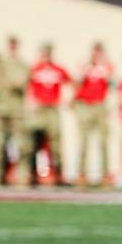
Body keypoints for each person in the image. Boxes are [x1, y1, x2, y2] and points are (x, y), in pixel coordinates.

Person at [0, 36, 29, 186]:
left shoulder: (22, 65)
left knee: (21, 145)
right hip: (0, 109)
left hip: (16, 110)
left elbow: (20, 82)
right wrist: (1, 77)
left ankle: (22, 176)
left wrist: (6, 79)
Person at [27, 43, 71, 186]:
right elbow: (26, 86)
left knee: (55, 142)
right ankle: (32, 173)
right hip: (39, 109)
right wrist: (30, 102)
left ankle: (58, 174)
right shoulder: (34, 69)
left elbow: (71, 83)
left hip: (52, 109)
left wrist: (67, 99)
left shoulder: (58, 69)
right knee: (35, 141)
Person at [71, 45, 113, 189]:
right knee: (83, 141)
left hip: (99, 105)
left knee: (103, 142)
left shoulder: (106, 66)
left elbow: (111, 83)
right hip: (85, 105)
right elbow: (76, 83)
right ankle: (81, 174)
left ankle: (105, 175)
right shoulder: (85, 66)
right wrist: (85, 68)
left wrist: (103, 67)